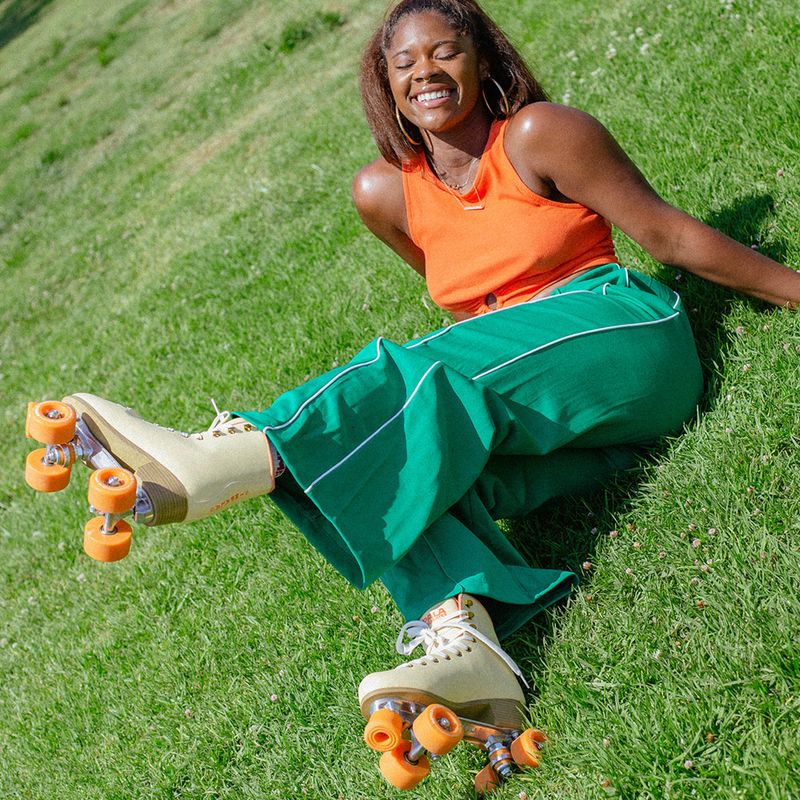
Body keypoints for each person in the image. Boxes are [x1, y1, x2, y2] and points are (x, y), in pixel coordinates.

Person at [36, 0, 800, 770]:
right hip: (563, 417)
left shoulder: (538, 134)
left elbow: (665, 233)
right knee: (403, 463)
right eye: (405, 62)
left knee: (413, 374)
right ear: (384, 84)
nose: (426, 71)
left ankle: (233, 454)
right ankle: (466, 645)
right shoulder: (385, 192)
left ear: (484, 61)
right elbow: (464, 319)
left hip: (623, 340)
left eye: (446, 52)